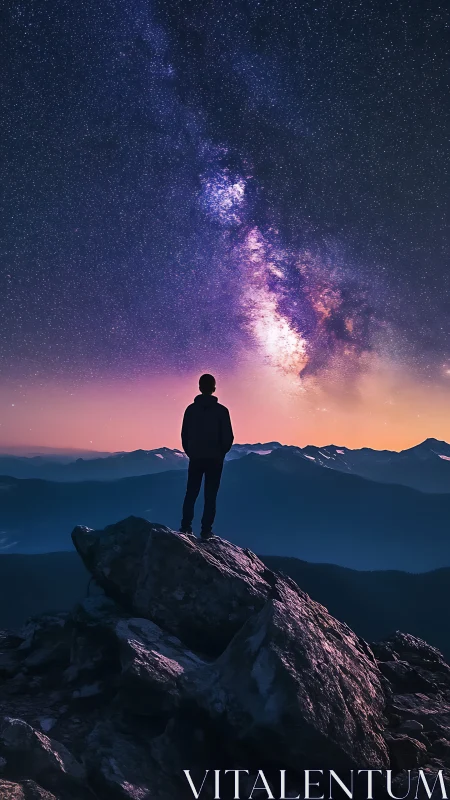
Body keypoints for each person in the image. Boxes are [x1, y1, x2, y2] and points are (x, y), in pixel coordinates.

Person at [180, 373, 234, 540]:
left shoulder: (190, 410)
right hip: (215, 460)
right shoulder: (222, 411)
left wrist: (191, 452)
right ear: (214, 388)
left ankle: (185, 527)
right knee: (210, 496)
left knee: (191, 493)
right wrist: (220, 453)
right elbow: (228, 437)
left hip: (196, 458)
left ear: (199, 387)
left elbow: (184, 435)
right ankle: (206, 531)